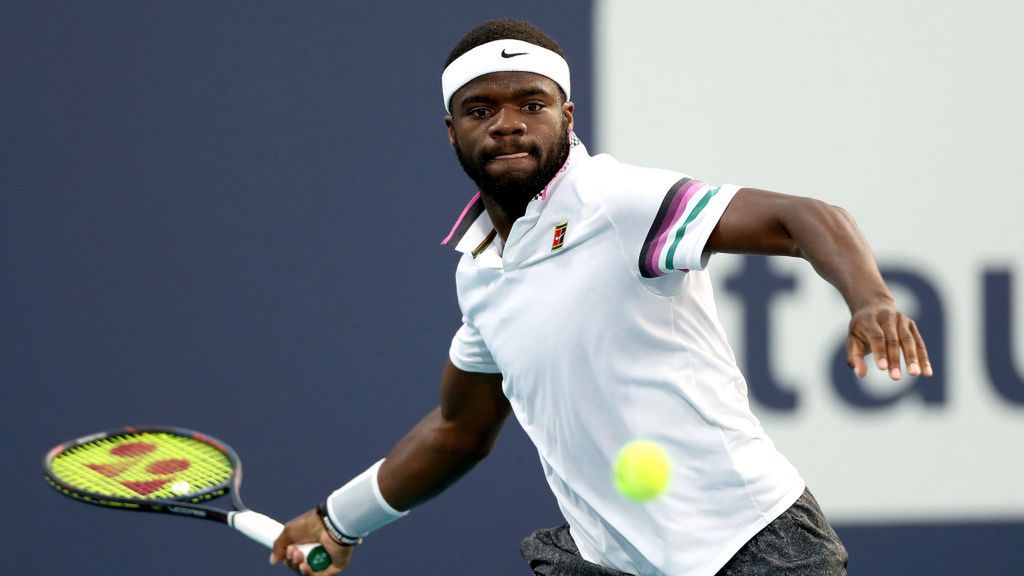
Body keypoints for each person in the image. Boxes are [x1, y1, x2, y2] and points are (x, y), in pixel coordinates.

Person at [270, 18, 932, 576]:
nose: (507, 125)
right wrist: (339, 520)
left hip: (752, 547)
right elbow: (458, 431)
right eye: (482, 109)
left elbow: (804, 216)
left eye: (531, 103)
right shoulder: (479, 272)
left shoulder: (620, 204)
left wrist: (870, 300)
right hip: (610, 560)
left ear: (566, 115)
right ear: (451, 131)